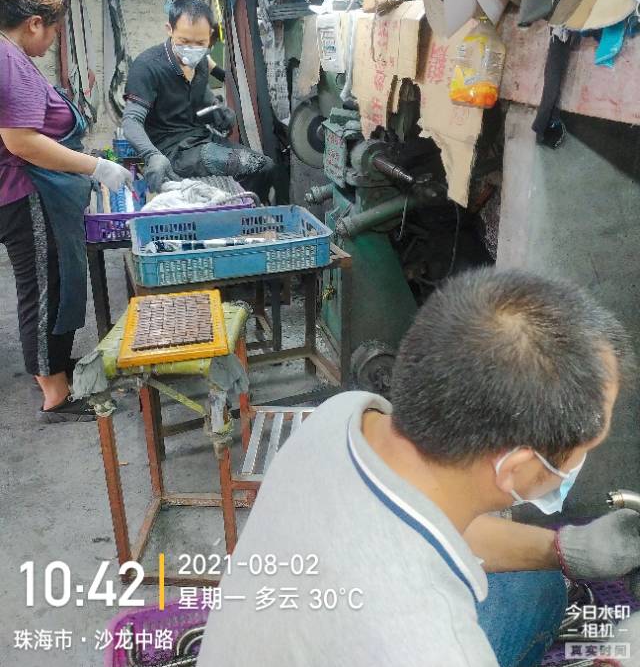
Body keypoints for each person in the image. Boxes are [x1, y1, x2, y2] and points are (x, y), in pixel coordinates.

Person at [196, 268, 640, 667]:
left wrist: (567, 548)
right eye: (586, 446)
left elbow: (441, 527)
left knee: (536, 589)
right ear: (517, 468)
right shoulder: (440, 648)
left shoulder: (344, 416)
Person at [0, 0, 132, 423]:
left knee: (49, 283)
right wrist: (95, 166)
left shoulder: (11, 56)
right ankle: (54, 393)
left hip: (31, 190)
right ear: (34, 23)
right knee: (44, 287)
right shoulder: (10, 60)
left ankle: (51, 365)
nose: (56, 38)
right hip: (27, 194)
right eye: (54, 29)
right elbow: (22, 141)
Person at [122, 0, 275, 202]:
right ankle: (236, 211)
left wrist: (218, 112)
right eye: (184, 41)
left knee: (264, 167)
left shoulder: (202, 62)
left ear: (210, 35)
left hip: (202, 140)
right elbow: (131, 121)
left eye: (200, 43)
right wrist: (151, 155)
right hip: (170, 151)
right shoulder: (147, 66)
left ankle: (248, 212)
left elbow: (204, 100)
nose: (192, 49)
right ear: (169, 29)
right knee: (239, 164)